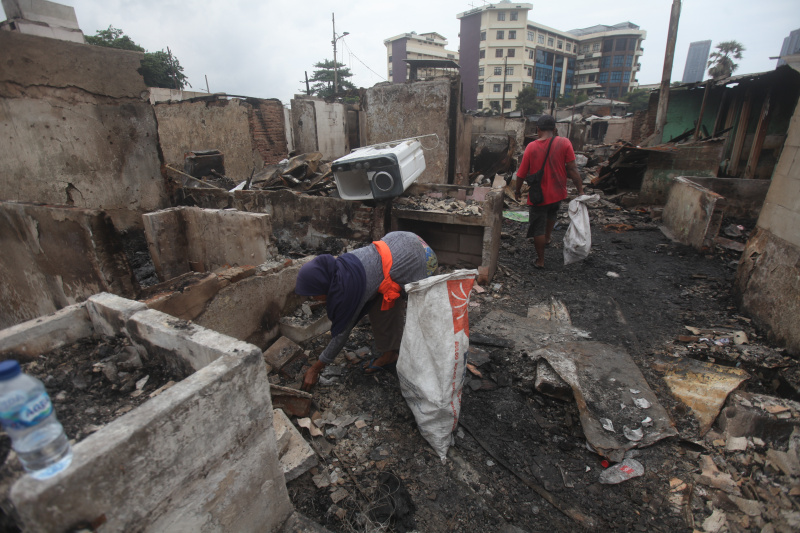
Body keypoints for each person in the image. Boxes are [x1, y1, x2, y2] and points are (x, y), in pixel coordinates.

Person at [294, 231, 437, 391]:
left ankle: (428, 367)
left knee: (420, 314)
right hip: (402, 239)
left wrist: (315, 368)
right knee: (378, 304)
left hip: (418, 258)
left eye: (313, 294)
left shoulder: (349, 289)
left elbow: (342, 334)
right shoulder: (342, 267)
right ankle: (389, 355)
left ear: (323, 284)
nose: (314, 299)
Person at [514, 114, 584, 268]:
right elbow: (572, 169)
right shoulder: (565, 143)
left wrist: (517, 191)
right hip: (558, 192)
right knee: (552, 214)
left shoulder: (532, 147)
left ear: (538, 129)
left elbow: (521, 173)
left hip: (539, 196)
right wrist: (580, 191)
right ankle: (547, 238)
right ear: (554, 129)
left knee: (537, 226)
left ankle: (540, 260)